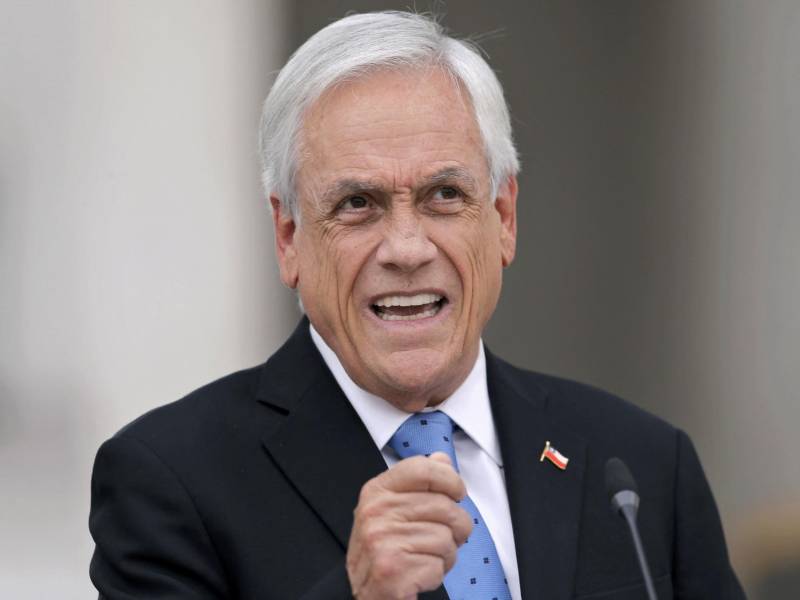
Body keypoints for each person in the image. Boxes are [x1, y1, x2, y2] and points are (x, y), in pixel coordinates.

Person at [89, 11, 745, 600]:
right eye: (357, 204)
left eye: (444, 196)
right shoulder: (170, 481)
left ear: (504, 217)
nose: (406, 248)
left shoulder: (639, 465)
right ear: (289, 238)